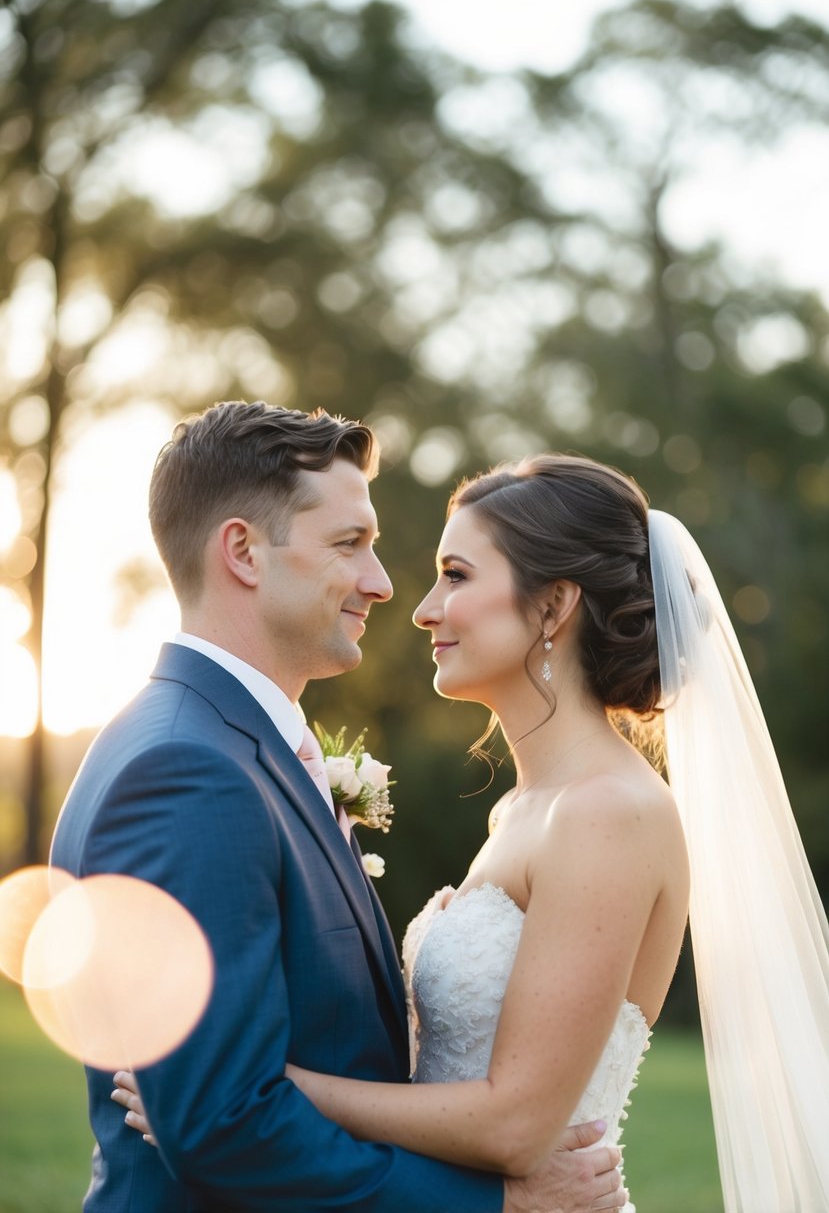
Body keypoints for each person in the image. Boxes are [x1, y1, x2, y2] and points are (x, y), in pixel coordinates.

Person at [121, 450, 829, 1211]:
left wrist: (265, 1090)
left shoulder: (608, 812)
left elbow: (516, 1125)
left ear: (553, 606)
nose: (423, 608)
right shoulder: (523, 811)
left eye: (456, 576)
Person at [51, 404, 626, 1213]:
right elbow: (223, 1126)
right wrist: (497, 1204)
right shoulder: (190, 771)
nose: (384, 585)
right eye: (348, 545)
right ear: (243, 552)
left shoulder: (227, 748)